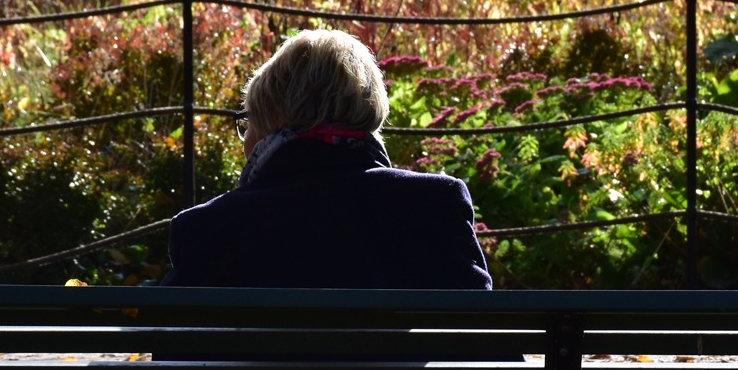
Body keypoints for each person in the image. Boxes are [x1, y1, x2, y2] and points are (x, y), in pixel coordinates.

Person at [162, 28, 491, 289]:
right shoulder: (435, 204)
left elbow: (175, 362)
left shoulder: (205, 228)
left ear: (273, 118)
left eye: (249, 123)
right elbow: (485, 342)